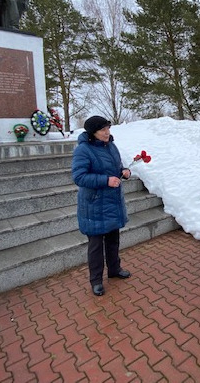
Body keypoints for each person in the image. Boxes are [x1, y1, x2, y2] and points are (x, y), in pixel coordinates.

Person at [72, 116, 132, 296]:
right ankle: (96, 280)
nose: (107, 133)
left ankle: (114, 269)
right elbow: (79, 177)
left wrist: (123, 171)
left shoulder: (111, 145)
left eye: (108, 128)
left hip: (112, 202)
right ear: (93, 133)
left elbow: (117, 167)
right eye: (103, 130)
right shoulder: (83, 150)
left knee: (113, 240)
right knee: (96, 246)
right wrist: (106, 180)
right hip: (94, 204)